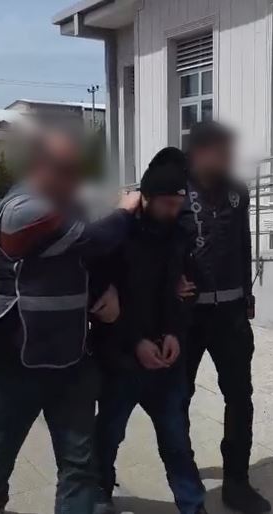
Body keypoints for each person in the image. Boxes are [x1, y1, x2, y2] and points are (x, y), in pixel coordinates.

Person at [0, 130, 140, 514]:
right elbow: (92, 240)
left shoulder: (67, 203)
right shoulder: (23, 209)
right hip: (17, 362)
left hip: (71, 358)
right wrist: (125, 210)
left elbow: (81, 260)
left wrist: (107, 289)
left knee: (79, 465)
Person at [92, 147, 207, 514]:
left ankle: (193, 506)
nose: (175, 211)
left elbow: (188, 289)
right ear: (146, 197)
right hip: (121, 362)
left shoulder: (180, 234)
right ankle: (99, 493)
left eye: (179, 203)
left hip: (167, 364)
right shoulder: (117, 234)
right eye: (168, 204)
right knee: (108, 436)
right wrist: (136, 342)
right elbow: (102, 302)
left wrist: (174, 332)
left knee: (177, 441)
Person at [178, 122, 271, 514]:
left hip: (231, 314)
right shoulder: (175, 190)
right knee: (178, 398)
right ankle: (183, 475)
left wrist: (248, 295)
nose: (228, 159)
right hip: (186, 317)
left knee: (239, 397)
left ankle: (237, 480)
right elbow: (152, 243)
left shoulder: (237, 192)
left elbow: (243, 242)